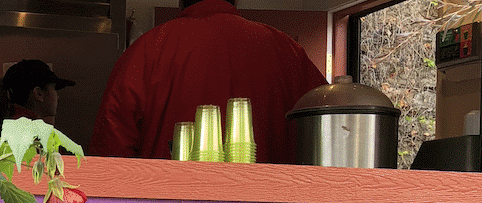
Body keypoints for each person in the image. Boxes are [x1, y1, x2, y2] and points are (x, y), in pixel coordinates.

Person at [89, 0, 327, 164]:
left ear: (181, 1)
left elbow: (110, 155)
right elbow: (326, 139)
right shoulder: (288, 53)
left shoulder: (145, 52)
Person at [1, 59, 76, 124]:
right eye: (54, 89)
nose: (57, 96)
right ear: (38, 94)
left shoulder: (12, 125)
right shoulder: (33, 134)